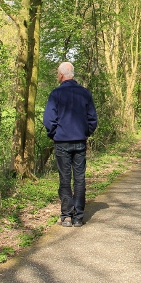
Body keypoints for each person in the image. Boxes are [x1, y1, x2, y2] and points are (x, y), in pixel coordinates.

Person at [43, 62, 98, 227]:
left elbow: (48, 120)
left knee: (65, 179)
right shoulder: (85, 93)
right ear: (72, 74)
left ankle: (67, 216)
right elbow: (92, 119)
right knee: (79, 178)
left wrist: (54, 134)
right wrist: (84, 132)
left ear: (61, 75)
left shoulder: (56, 94)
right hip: (79, 141)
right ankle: (78, 217)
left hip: (62, 142)